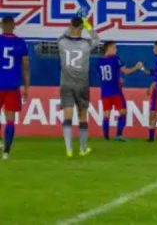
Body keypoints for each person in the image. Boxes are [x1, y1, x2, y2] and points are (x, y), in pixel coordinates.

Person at [58, 15, 100, 158]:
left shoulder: (62, 42)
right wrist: (87, 24)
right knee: (82, 116)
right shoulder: (86, 44)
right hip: (82, 84)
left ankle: (68, 148)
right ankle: (83, 148)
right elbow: (97, 39)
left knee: (67, 116)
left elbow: (61, 36)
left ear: (70, 26)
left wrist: (70, 26)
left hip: (66, 84)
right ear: (81, 28)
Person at [97, 42, 143, 141]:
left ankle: (106, 137)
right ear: (108, 48)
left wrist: (118, 79)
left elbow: (103, 77)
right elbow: (125, 71)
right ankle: (118, 135)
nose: (116, 49)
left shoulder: (100, 61)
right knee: (123, 112)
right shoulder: (115, 59)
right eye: (114, 47)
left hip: (105, 91)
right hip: (115, 91)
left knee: (106, 114)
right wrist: (136, 67)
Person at [0, 16, 30, 159]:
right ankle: (6, 151)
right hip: (12, 85)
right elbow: (25, 67)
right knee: (10, 119)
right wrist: (26, 86)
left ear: (1, 25)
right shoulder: (20, 43)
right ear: (14, 25)